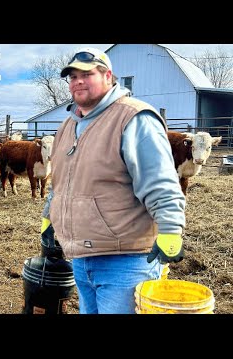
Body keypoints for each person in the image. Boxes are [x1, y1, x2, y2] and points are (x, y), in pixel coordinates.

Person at [41, 47, 186, 314]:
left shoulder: (133, 118)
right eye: (72, 77)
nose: (78, 81)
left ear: (108, 76)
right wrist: (49, 218)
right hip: (81, 258)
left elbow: (160, 181)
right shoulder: (67, 126)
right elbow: (59, 184)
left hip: (125, 261)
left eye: (86, 74)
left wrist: (170, 229)